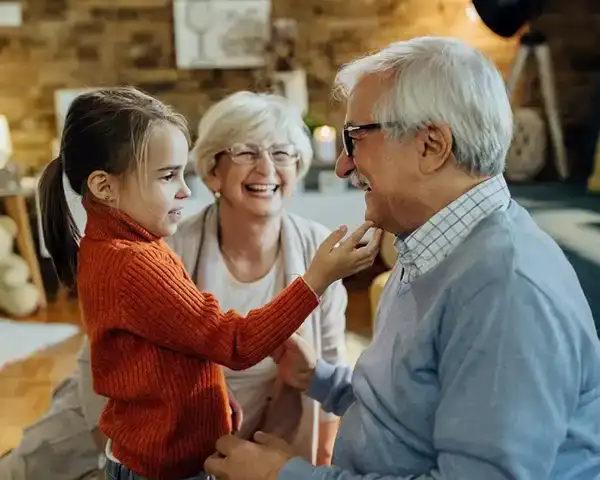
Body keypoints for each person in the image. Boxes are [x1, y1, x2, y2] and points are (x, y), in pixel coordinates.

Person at [203, 37, 600, 480]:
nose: (342, 167)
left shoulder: (505, 289)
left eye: (355, 139)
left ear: (431, 145)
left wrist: (285, 477)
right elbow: (410, 414)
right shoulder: (431, 245)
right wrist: (321, 379)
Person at [0, 91, 350, 480]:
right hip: (156, 451)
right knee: (28, 465)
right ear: (213, 172)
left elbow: (326, 377)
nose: (267, 167)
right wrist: (316, 279)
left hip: (204, 441)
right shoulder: (152, 252)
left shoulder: (315, 245)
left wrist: (215, 403)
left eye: (283, 153)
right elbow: (230, 342)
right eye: (247, 152)